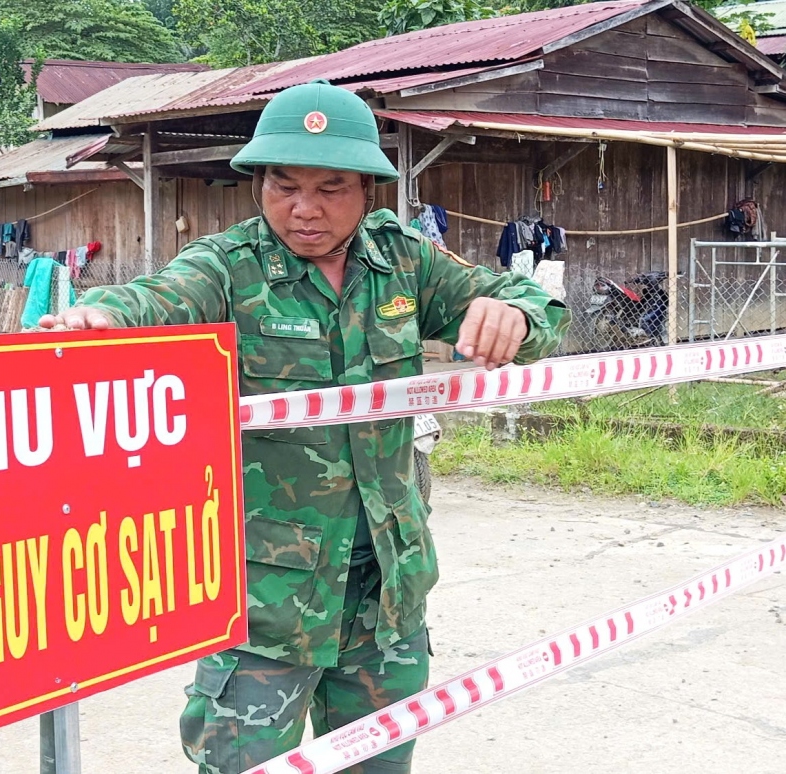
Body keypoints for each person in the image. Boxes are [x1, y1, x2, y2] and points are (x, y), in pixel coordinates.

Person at [39, 80, 569, 774]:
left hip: (387, 592)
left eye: (331, 188)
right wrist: (99, 319)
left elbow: (532, 304)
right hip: (266, 609)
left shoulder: (402, 262)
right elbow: (153, 301)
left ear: (367, 190)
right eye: (284, 186)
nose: (305, 209)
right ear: (258, 183)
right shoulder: (229, 270)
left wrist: (519, 315)